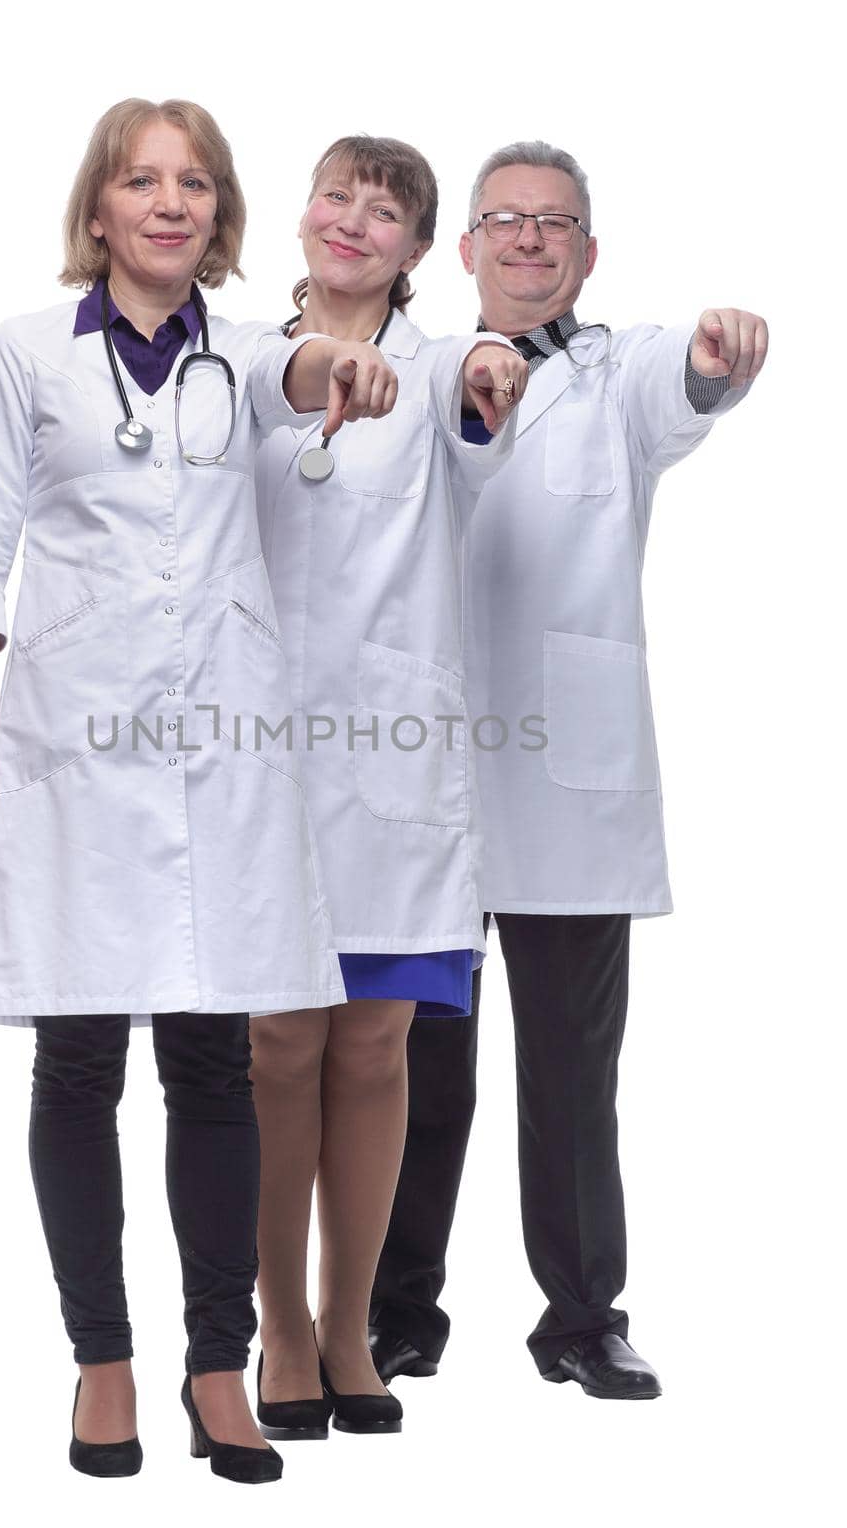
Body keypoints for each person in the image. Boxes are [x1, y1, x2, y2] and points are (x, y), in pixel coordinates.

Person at [0, 97, 400, 1484]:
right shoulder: (26, 357)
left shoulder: (246, 353)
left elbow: (303, 368)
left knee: (209, 1063)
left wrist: (341, 371)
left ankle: (213, 1365)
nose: (168, 202)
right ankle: (100, 1361)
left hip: (220, 759)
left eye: (194, 183)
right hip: (70, 753)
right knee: (75, 1062)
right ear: (98, 210)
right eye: (141, 180)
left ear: (217, 214)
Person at [370, 139, 767, 1399]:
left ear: (586, 255)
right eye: (505, 221)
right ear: (466, 250)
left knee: (571, 1070)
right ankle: (392, 1312)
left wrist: (714, 357)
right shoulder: (409, 373)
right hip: (417, 773)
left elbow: (684, 386)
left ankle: (582, 1316)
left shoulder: (621, 375)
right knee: (409, 1064)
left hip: (565, 780)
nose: (530, 241)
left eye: (555, 225)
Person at [249, 136, 528, 1440]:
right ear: (301, 212)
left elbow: (485, 421)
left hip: (395, 759)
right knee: (272, 1047)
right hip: (251, 756)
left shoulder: (435, 374)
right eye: (335, 196)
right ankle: (282, 1332)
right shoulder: (234, 366)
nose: (352, 221)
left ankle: (352, 1321)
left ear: (418, 250)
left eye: (386, 211)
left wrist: (485, 373)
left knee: (370, 1047)